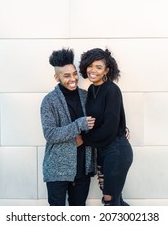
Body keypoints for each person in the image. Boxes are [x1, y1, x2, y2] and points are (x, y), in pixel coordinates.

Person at [40, 48, 96, 206]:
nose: (73, 79)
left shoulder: (86, 96)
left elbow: (100, 123)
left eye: (74, 73)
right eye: (66, 75)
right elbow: (50, 134)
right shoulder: (49, 101)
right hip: (57, 169)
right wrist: (79, 125)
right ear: (57, 77)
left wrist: (122, 128)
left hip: (82, 169)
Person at [79, 47, 133, 206]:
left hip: (116, 151)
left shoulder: (112, 90)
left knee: (110, 199)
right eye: (90, 66)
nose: (93, 70)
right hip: (102, 152)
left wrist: (84, 139)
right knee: (115, 200)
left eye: (99, 67)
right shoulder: (91, 89)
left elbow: (110, 127)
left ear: (106, 71)